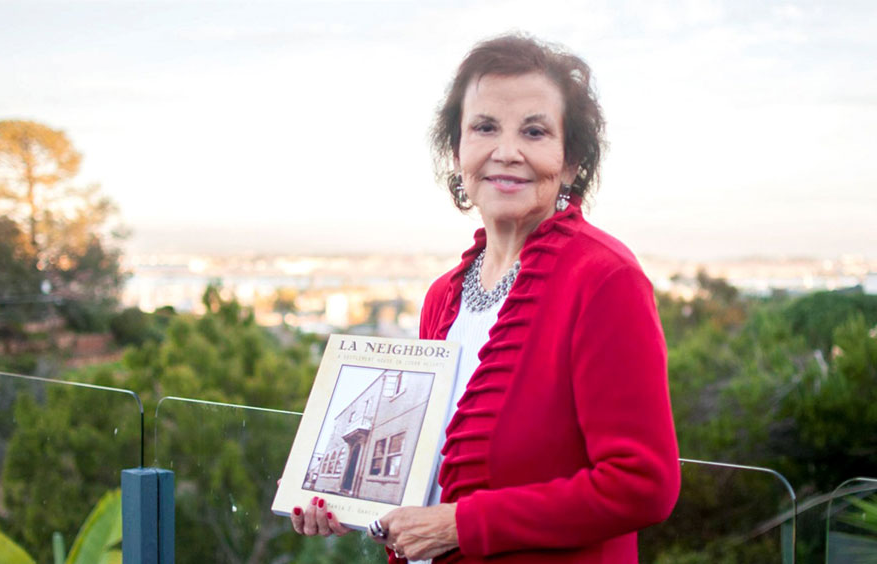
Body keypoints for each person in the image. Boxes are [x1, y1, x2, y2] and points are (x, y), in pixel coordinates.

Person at [290, 33, 680, 563]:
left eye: (535, 131)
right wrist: (348, 503)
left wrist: (463, 525)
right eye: (485, 127)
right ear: (458, 152)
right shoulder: (443, 298)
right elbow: (427, 475)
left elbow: (642, 484)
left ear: (569, 161)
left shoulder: (604, 280)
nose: (506, 152)